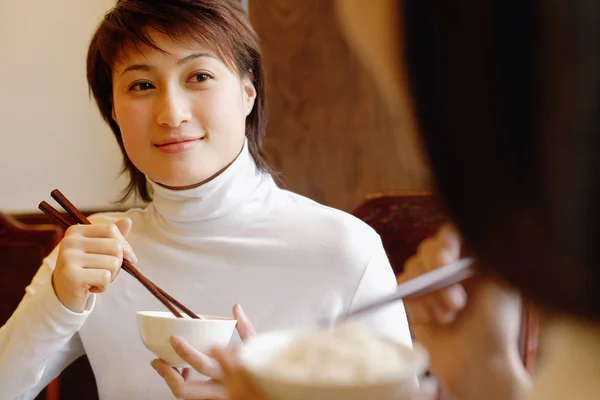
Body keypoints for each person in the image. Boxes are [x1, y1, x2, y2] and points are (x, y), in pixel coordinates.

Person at [0, 1, 412, 399]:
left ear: (248, 91)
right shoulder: (92, 255)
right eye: (142, 85)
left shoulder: (342, 249)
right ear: (114, 112)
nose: (172, 113)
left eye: (198, 76)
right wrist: (56, 302)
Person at [202, 1, 600, 399]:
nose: (417, 155)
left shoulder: (342, 244)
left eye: (421, 105)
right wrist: (486, 377)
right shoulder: (578, 347)